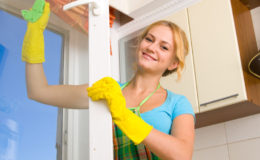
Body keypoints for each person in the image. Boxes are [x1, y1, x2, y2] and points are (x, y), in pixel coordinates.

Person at [22, 0, 195, 159]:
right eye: (149, 39)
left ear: (173, 63)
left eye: (163, 47)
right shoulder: (108, 91)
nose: (151, 47)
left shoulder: (177, 103)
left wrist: (122, 114)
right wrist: (34, 33)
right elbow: (38, 91)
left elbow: (182, 155)